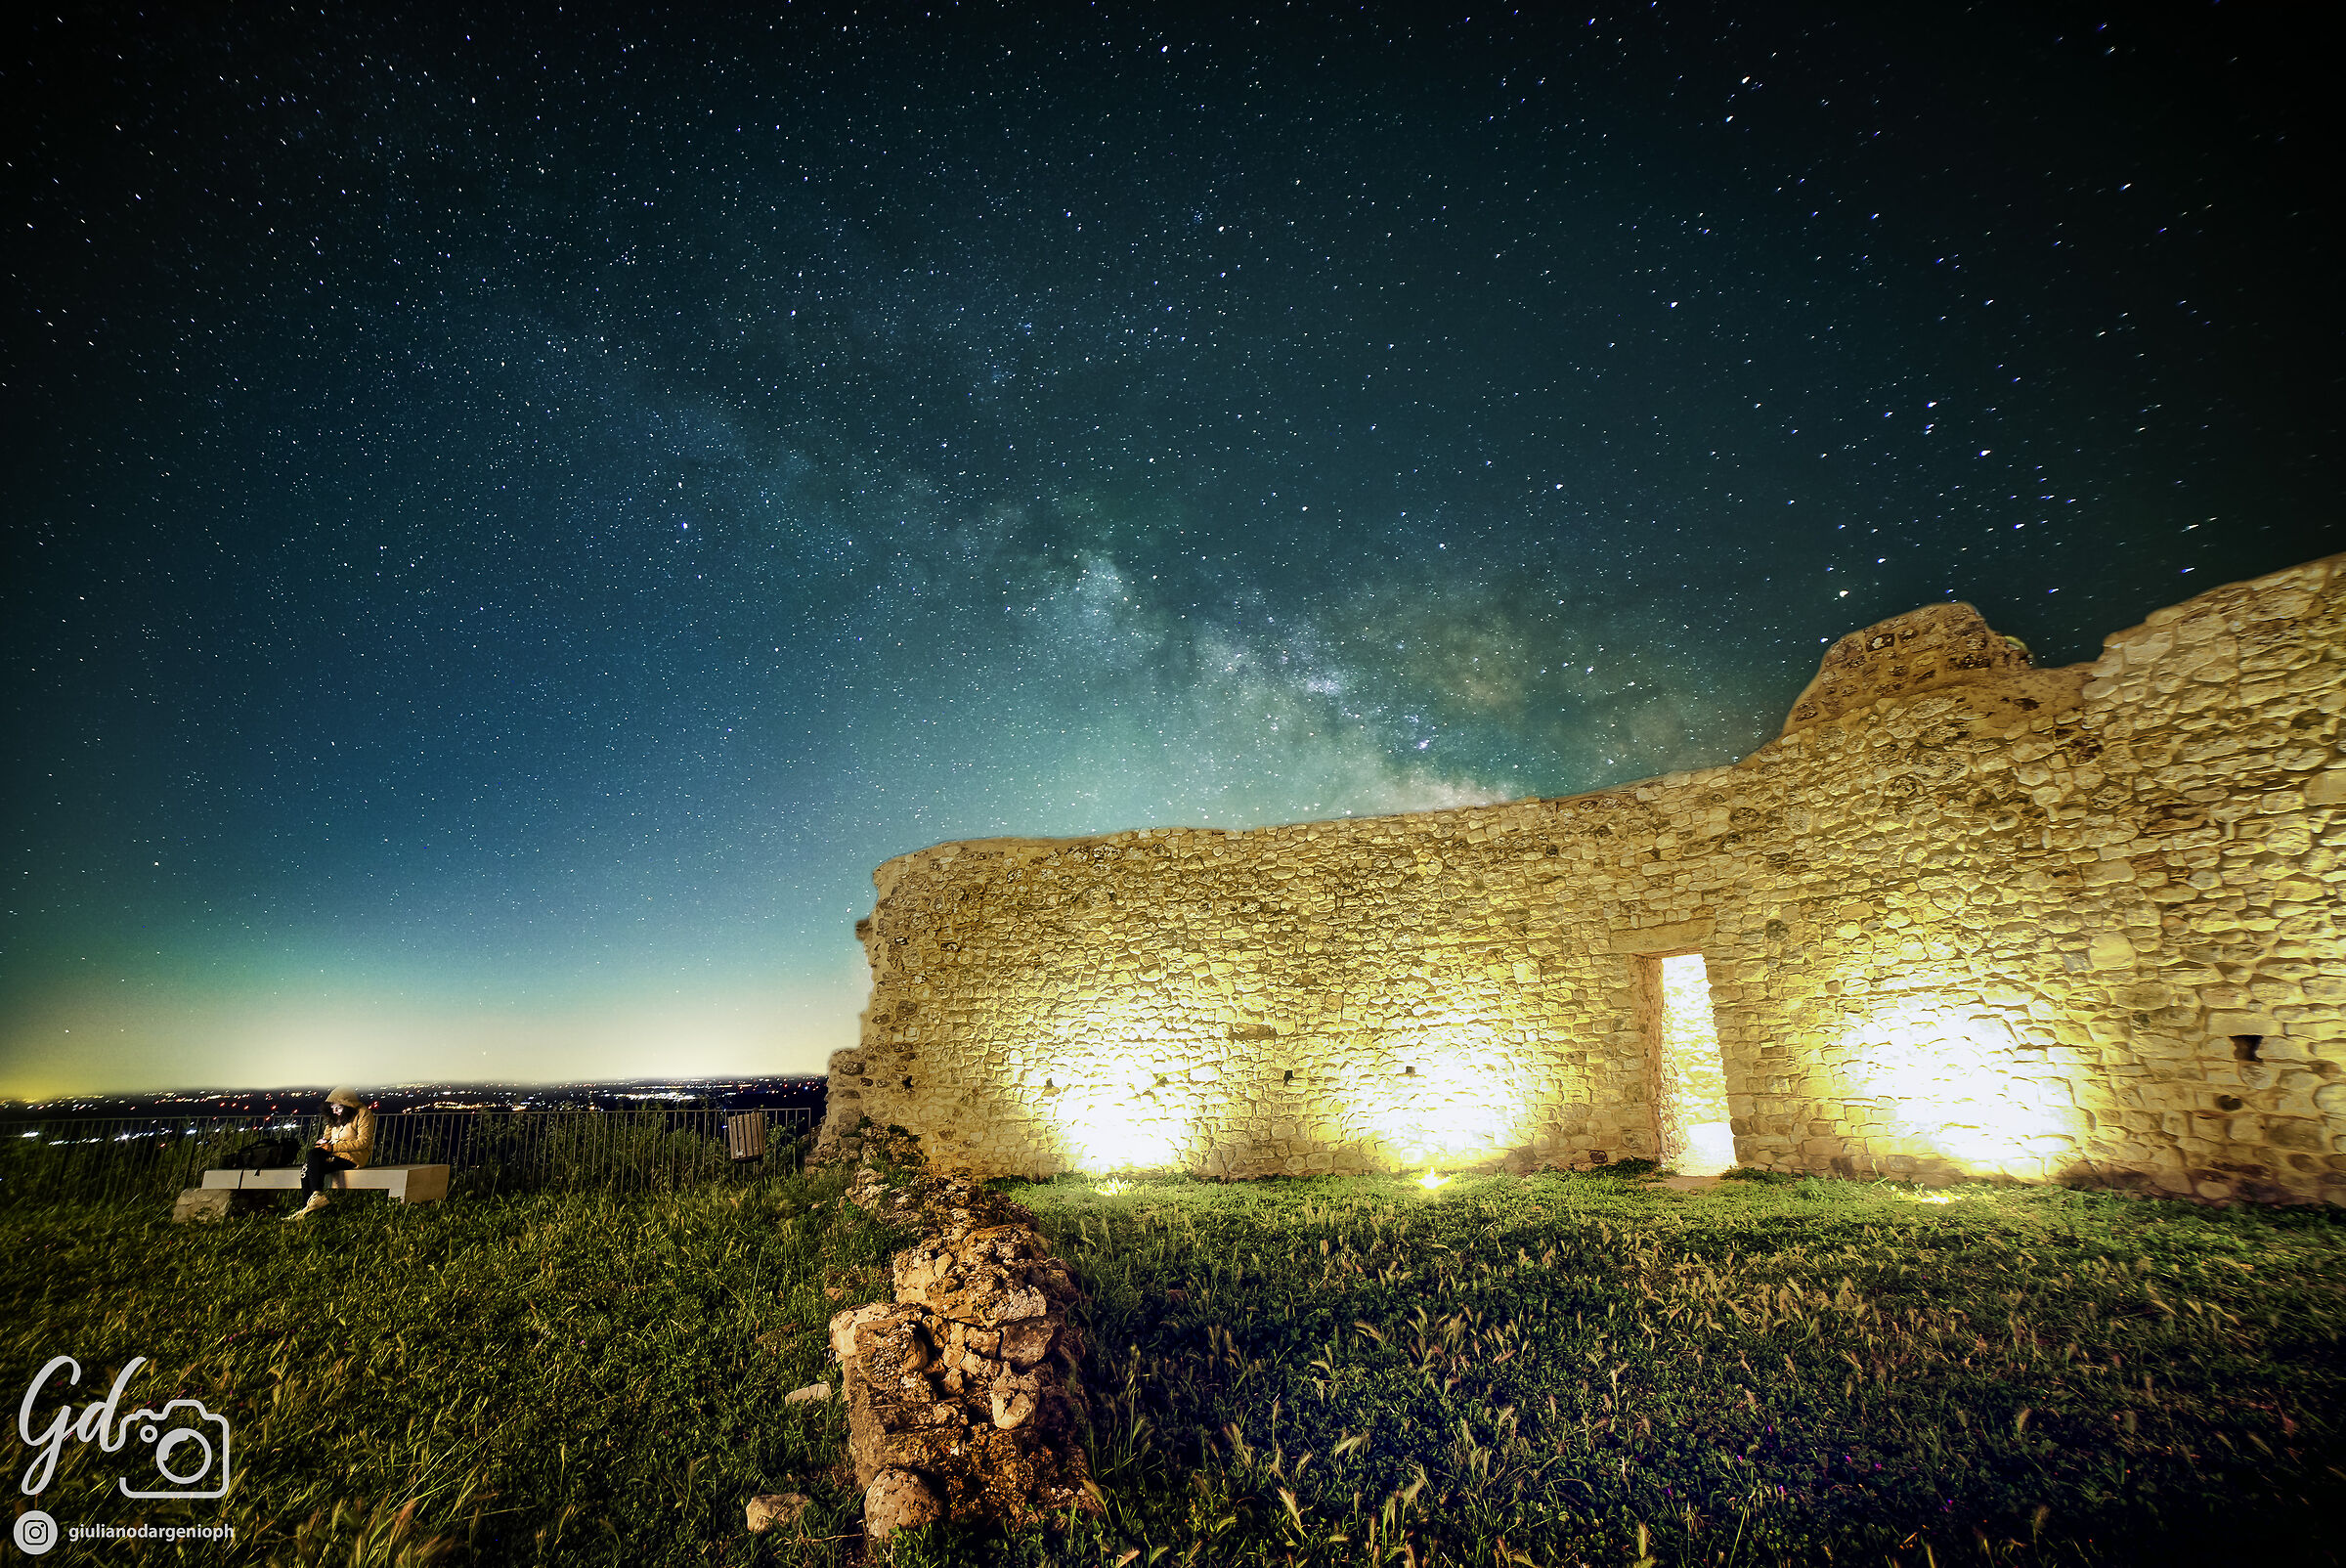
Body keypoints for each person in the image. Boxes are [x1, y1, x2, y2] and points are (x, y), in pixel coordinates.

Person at [285, 1086, 374, 1221]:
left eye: (338, 1108)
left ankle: (311, 1204)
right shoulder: (335, 1117)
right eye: (333, 1108)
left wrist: (333, 1148)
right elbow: (327, 1135)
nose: (335, 1111)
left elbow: (363, 1142)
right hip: (334, 1153)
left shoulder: (363, 1114)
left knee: (310, 1163)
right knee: (309, 1162)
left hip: (352, 1157)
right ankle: (310, 1205)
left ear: (348, 1105)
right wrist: (323, 1142)